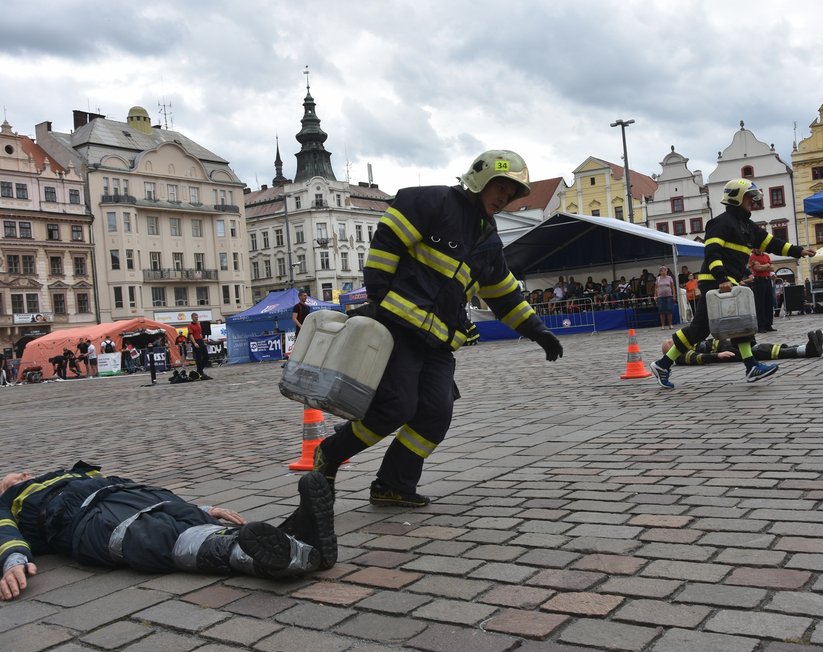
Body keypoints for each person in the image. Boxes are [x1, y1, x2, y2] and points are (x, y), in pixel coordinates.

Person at [308, 150, 562, 509]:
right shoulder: (432, 201)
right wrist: (380, 300)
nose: (503, 199)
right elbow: (387, 243)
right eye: (499, 188)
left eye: (510, 194)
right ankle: (330, 454)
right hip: (398, 327)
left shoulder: (489, 240)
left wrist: (538, 331)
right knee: (396, 407)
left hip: (440, 341)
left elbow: (503, 294)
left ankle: (393, 484)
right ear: (479, 179)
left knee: (435, 413)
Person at [0, 462, 336, 601]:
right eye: (12, 479)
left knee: (193, 522)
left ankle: (298, 543)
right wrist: (13, 559)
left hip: (133, 497)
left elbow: (133, 484)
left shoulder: (76, 474)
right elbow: (3, 530)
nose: (22, 476)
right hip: (90, 520)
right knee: (159, 538)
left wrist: (202, 508)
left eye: (23, 474)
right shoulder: (11, 503)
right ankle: (276, 554)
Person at [650, 178, 815, 388]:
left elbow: (772, 243)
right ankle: (664, 364)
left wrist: (798, 251)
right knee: (701, 328)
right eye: (749, 197)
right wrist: (722, 279)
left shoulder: (748, 227)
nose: (752, 202)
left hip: (727, 283)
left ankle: (749, 366)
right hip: (715, 283)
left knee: (735, 323)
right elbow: (711, 253)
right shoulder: (721, 223)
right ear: (737, 198)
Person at [664, 329, 823, 365]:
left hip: (727, 344)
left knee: (764, 347)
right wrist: (717, 356)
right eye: (670, 344)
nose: (674, 341)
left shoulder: (687, 344)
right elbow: (696, 358)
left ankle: (804, 347)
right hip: (726, 351)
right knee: (761, 352)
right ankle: (807, 350)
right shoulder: (680, 357)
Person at [748, 247, 776, 332]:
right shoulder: (752, 256)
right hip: (759, 280)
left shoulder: (766, 256)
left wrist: (763, 266)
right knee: (760, 304)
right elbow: (757, 268)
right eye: (758, 248)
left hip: (767, 280)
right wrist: (767, 266)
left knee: (769, 303)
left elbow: (772, 268)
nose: (760, 249)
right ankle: (761, 326)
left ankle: (768, 324)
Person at [187, 313, 211, 380]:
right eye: (195, 317)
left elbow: (200, 334)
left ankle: (199, 370)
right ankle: (200, 371)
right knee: (198, 357)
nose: (196, 318)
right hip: (195, 341)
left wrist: (203, 341)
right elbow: (190, 335)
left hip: (200, 340)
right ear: (192, 317)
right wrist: (194, 343)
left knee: (206, 356)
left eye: (197, 317)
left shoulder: (199, 324)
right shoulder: (190, 325)